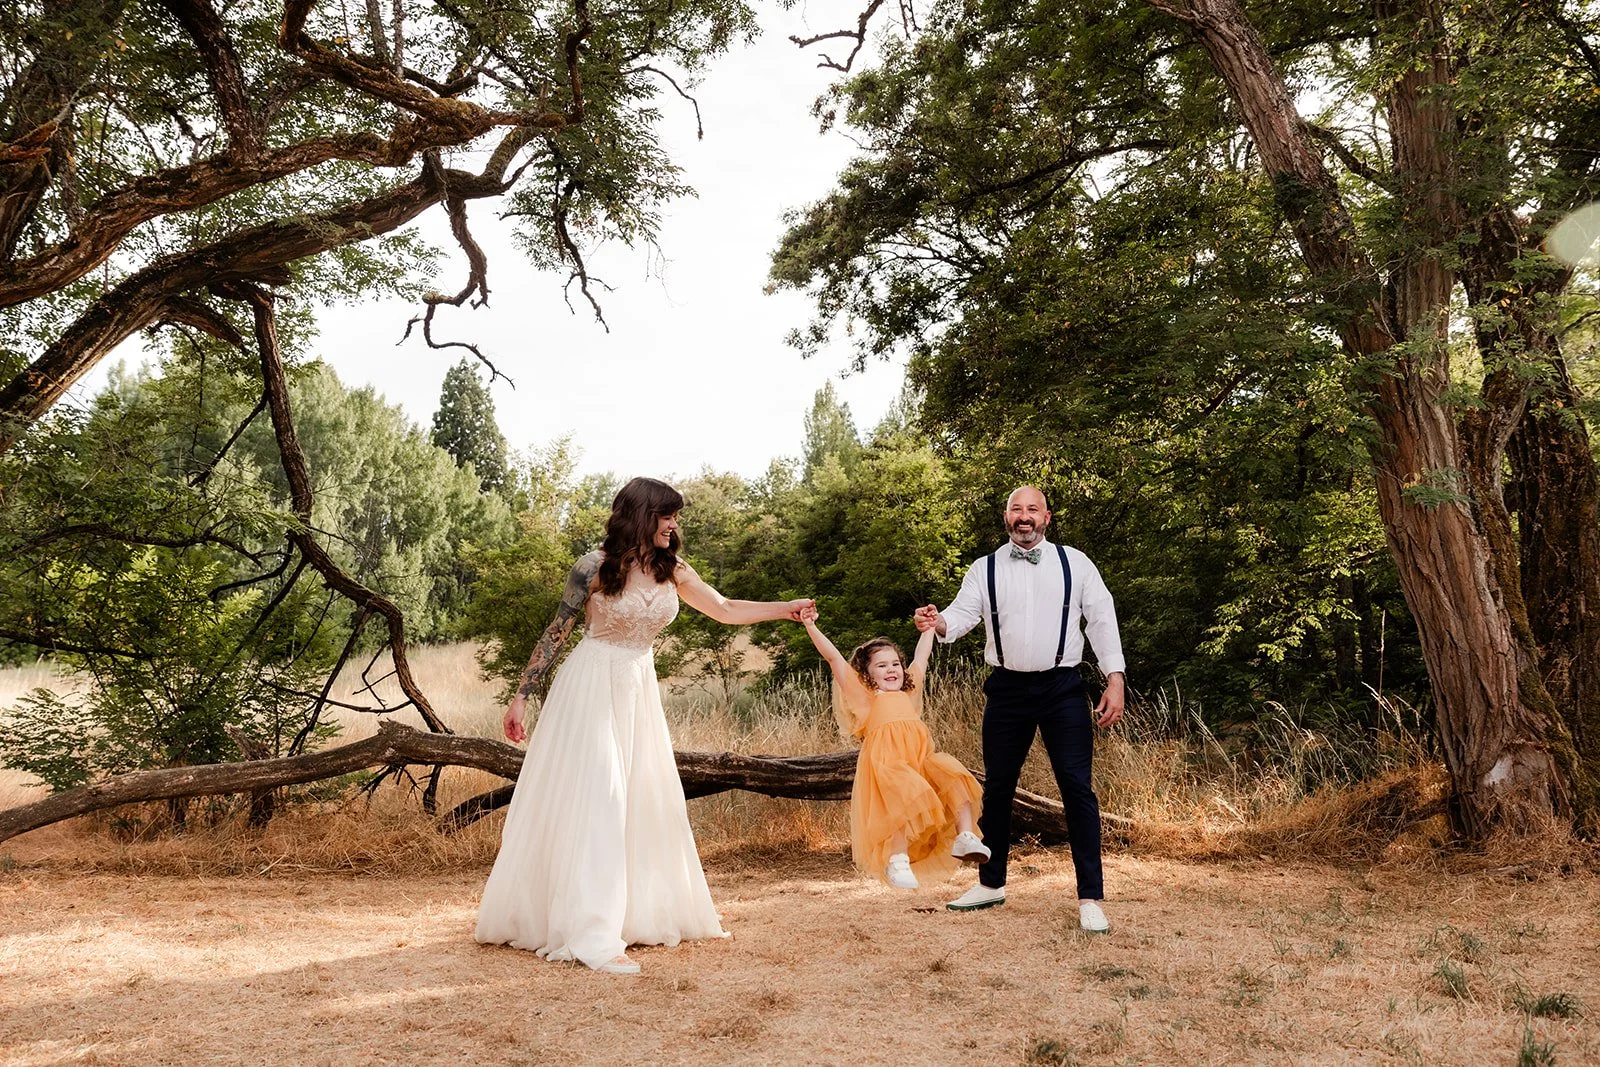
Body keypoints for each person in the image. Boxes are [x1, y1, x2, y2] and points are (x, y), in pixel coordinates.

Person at [475, 477, 813, 975]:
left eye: (675, 516)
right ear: (641, 514)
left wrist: (785, 611)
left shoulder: (671, 569)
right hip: (591, 686)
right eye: (667, 515)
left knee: (641, 798)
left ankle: (632, 916)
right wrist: (521, 698)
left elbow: (723, 609)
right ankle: (593, 931)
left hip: (637, 687)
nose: (674, 524)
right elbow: (556, 632)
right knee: (603, 796)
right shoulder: (593, 567)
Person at [914, 485, 1126, 932]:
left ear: (1046, 517)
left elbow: (1102, 620)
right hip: (1007, 690)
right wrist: (938, 622)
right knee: (997, 789)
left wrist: (1115, 678)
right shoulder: (984, 569)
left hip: (1063, 688)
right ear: (1006, 516)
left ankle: (1090, 898)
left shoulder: (1076, 563)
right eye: (1016, 509)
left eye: (1032, 509)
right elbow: (961, 615)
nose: (1024, 516)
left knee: (1077, 788)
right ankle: (991, 885)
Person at [798, 606, 987, 889]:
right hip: (887, 764)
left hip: (921, 760)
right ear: (866, 673)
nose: (891, 670)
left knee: (956, 777)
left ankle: (965, 836)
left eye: (895, 664)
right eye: (881, 665)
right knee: (903, 799)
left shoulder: (909, 691)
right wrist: (811, 626)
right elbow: (833, 658)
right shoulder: (864, 697)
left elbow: (922, 656)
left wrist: (929, 628)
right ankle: (897, 860)